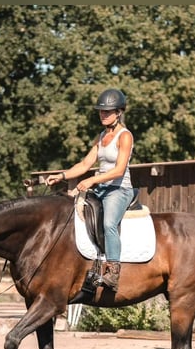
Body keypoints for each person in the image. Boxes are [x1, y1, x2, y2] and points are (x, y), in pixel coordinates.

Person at [46, 88, 135, 292]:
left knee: (109, 223)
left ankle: (113, 270)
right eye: (101, 111)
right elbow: (85, 164)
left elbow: (119, 169)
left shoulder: (125, 136)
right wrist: (61, 176)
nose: (103, 115)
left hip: (119, 189)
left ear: (119, 112)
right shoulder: (101, 136)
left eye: (107, 111)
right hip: (102, 188)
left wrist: (93, 180)